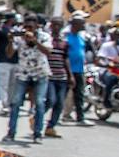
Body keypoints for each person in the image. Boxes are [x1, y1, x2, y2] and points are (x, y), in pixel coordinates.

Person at [5, 14, 51, 143]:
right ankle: (11, 133)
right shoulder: (19, 37)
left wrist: (35, 41)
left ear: (36, 26)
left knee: (40, 103)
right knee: (15, 103)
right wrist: (9, 40)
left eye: (31, 27)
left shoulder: (44, 36)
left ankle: (37, 133)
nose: (28, 30)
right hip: (23, 74)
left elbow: (48, 52)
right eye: (26, 27)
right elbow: (9, 54)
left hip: (40, 73)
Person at [64, 12, 93, 125]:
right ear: (75, 24)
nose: (84, 26)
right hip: (69, 70)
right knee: (65, 94)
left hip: (79, 69)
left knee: (79, 94)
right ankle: (62, 115)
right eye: (82, 24)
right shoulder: (67, 37)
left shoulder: (81, 37)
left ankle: (80, 118)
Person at [44, 16, 70, 137]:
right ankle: (37, 116)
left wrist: (70, 75)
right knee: (51, 100)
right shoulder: (46, 39)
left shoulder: (64, 41)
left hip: (61, 76)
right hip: (49, 75)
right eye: (54, 24)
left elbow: (66, 59)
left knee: (59, 103)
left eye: (59, 25)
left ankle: (51, 126)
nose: (56, 27)